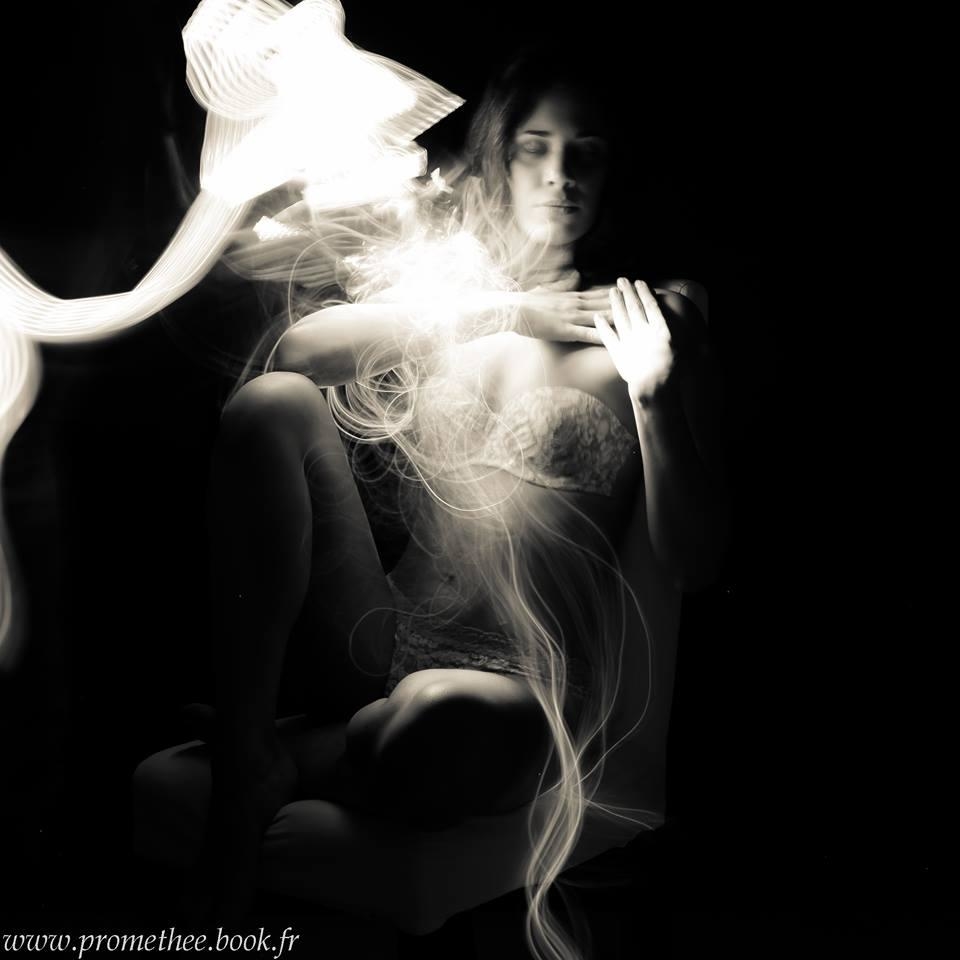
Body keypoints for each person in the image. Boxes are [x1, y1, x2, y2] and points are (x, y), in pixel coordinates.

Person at [193, 43, 728, 960]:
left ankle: (310, 751)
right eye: (534, 148)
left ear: (615, 171)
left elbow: (697, 558)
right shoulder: (459, 298)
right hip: (378, 642)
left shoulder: (656, 316)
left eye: (586, 153)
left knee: (440, 716)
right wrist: (510, 310)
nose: (559, 176)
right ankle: (254, 759)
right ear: (500, 157)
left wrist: (652, 398)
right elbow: (295, 357)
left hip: (514, 687)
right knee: (268, 406)